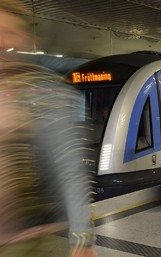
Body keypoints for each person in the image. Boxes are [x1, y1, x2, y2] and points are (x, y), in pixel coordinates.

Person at [0, 2, 97, 257]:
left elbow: (71, 169)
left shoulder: (43, 91)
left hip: (27, 239)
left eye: (6, 32)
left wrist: (82, 235)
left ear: (22, 38)